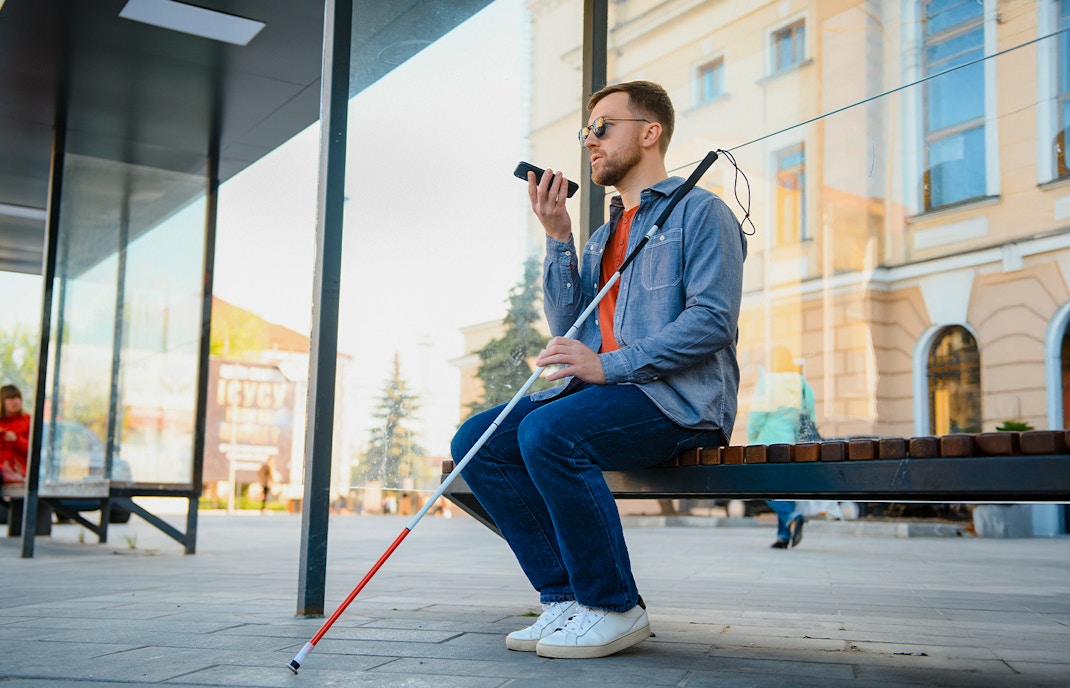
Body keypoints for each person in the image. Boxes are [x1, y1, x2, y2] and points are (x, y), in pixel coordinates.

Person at [452, 81, 747, 659]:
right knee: (478, 440)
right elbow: (572, 324)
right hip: (608, 397)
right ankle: (565, 598)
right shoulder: (602, 235)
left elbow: (713, 320)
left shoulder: (702, 213)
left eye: (602, 126)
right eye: (585, 129)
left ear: (649, 131)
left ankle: (614, 605)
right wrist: (557, 237)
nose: (589, 140)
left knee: (548, 433)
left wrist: (609, 366)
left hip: (678, 403)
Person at [745, 346, 816, 549]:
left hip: (767, 443)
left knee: (763, 487)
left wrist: (751, 437)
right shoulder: (803, 385)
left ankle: (792, 517)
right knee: (785, 490)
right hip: (792, 445)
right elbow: (811, 417)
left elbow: (757, 416)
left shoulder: (767, 383)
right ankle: (783, 536)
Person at [0, 384, 31, 485]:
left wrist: (16, 440)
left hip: (20, 469)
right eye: (10, 398)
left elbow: (34, 450)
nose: (15, 401)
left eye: (18, 397)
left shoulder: (28, 421)